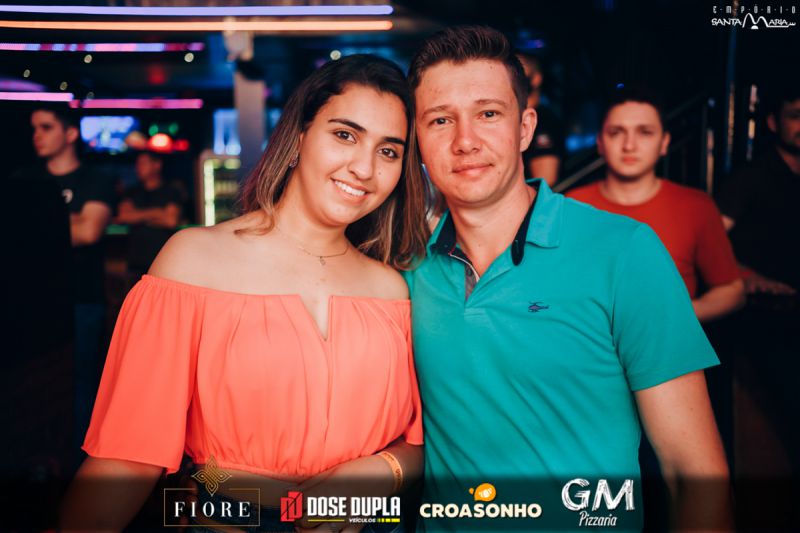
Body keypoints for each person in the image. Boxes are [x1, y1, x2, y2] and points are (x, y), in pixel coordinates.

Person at [62, 54, 428, 532]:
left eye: (389, 151)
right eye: (345, 135)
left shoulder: (391, 289)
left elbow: (419, 441)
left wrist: (383, 471)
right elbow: (129, 455)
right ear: (299, 137)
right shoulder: (194, 262)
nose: (363, 167)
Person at [405, 26, 730, 531]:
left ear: (525, 128)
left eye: (488, 114)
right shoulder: (405, 270)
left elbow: (693, 473)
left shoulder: (624, 252)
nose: (465, 141)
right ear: (418, 141)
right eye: (441, 120)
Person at [567, 86, 744, 322]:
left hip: (670, 343)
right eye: (616, 132)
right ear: (600, 142)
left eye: (645, 132)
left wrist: (670, 318)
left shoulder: (695, 206)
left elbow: (732, 290)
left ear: (664, 142)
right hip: (591, 342)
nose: (629, 145)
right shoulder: (572, 205)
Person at [10, 105, 115, 469]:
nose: (37, 135)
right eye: (34, 128)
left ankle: (79, 468)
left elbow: (88, 231)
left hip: (81, 298)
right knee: (29, 384)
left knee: (81, 385)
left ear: (70, 134)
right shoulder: (24, 179)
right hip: (30, 301)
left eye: (46, 127)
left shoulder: (95, 179)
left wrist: (36, 224)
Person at [715, 84, 800, 531]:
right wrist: (750, 277)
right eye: (795, 115)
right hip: (763, 319)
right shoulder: (751, 178)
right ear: (773, 123)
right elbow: (711, 245)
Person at [115, 151, 183, 274]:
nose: (138, 167)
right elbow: (123, 216)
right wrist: (157, 212)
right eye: (137, 164)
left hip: (163, 260)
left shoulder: (171, 191)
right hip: (136, 261)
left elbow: (170, 221)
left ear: (157, 165)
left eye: (143, 163)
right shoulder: (132, 192)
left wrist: (137, 216)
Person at [517, 53, 565, 187]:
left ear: (536, 79)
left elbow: (545, 180)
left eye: (519, 72)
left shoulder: (544, 119)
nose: (514, 78)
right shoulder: (513, 115)